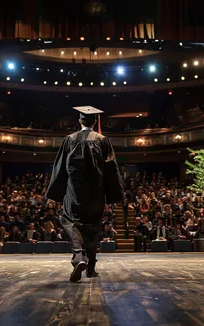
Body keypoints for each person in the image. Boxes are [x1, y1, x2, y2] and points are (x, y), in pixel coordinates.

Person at [46, 106, 124, 282]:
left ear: (80, 121)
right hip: (96, 192)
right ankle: (91, 269)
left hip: (73, 191)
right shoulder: (103, 140)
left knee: (70, 220)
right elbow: (111, 168)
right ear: (95, 122)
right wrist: (113, 194)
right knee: (93, 226)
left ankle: (78, 257)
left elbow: (60, 167)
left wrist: (56, 192)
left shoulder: (70, 139)